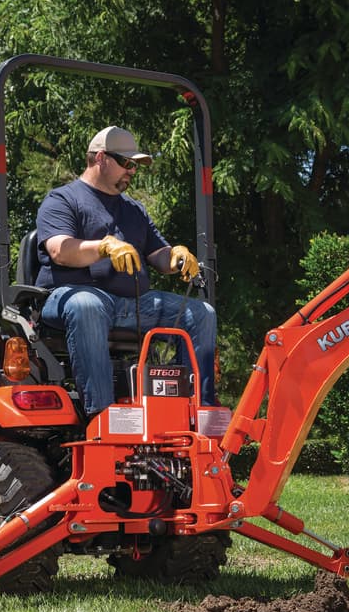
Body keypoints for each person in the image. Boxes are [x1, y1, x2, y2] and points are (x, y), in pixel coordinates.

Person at [34, 125, 218, 417]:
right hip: (70, 298)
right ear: (100, 158)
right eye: (126, 163)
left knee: (201, 313)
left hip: (133, 303)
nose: (132, 171)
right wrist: (104, 247)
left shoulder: (134, 210)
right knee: (87, 305)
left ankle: (198, 410)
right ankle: (102, 415)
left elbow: (159, 256)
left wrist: (176, 256)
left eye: (135, 165)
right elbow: (60, 251)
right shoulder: (63, 200)